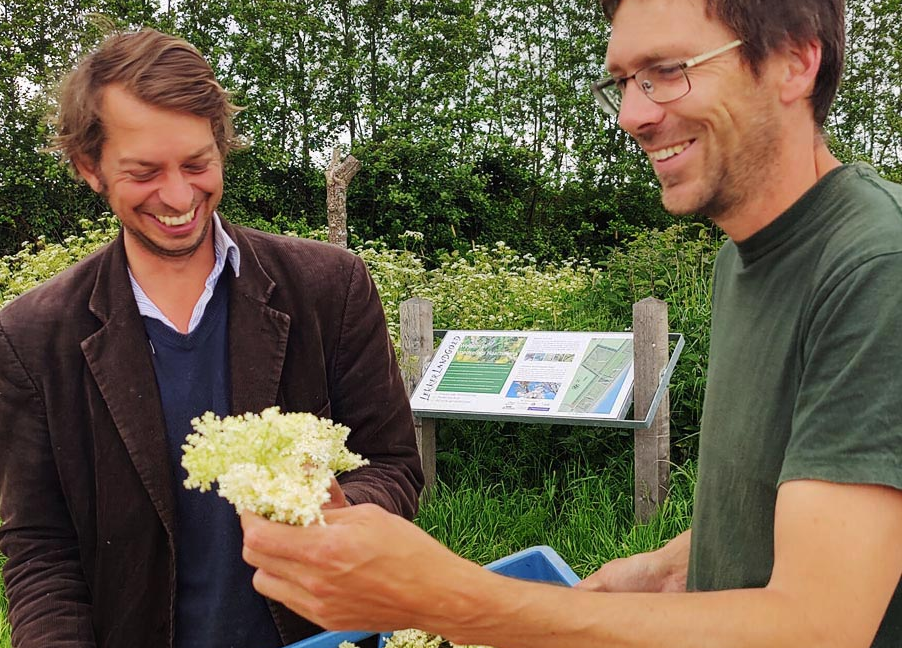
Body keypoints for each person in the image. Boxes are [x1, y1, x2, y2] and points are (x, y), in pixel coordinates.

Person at [240, 0, 902, 646]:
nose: (634, 115)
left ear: (794, 62)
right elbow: (804, 519)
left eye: (667, 71)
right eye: (622, 83)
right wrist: (672, 566)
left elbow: (818, 626)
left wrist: (446, 600)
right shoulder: (744, 259)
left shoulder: (876, 268)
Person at [0, 29, 424, 648]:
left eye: (197, 164)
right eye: (144, 172)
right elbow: (38, 546)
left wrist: (340, 512)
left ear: (221, 146)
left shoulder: (329, 287)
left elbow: (392, 464)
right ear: (90, 168)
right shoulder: (34, 334)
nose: (177, 195)